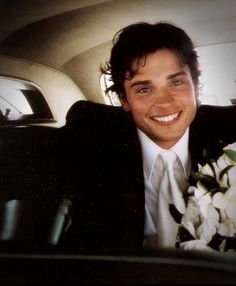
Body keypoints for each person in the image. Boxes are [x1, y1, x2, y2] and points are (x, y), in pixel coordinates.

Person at [59, 21, 236, 255]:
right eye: (144, 89)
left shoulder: (230, 128)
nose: (164, 102)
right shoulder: (93, 135)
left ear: (196, 85)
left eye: (176, 82)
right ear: (124, 99)